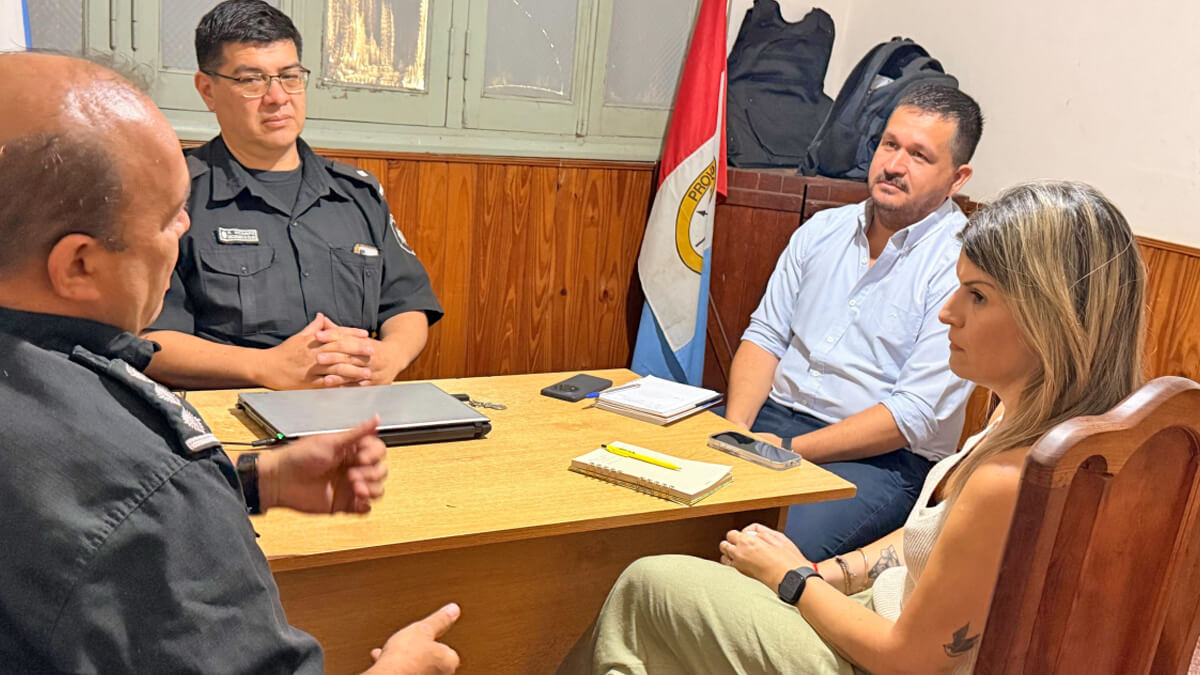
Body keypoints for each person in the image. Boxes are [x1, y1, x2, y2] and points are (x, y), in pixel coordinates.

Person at [562, 180, 1146, 674]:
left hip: (878, 657)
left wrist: (791, 581)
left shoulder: (1009, 478)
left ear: (1050, 320)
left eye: (977, 295)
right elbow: (932, 547)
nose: (948, 311)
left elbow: (907, 659)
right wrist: (825, 572)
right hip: (876, 609)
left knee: (648, 584)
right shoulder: (1053, 430)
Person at [0, 52, 458, 674]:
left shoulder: (355, 191)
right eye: (168, 221)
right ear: (79, 264)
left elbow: (53, 507)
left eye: (290, 75)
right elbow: (118, 497)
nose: (183, 229)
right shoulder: (152, 488)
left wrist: (253, 480)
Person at [723, 83, 983, 560]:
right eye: (890, 145)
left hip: (879, 460)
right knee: (656, 498)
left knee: (758, 551)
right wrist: (737, 428)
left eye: (920, 156)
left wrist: (788, 448)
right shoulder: (822, 230)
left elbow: (913, 415)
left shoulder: (963, 266)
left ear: (957, 178)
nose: (894, 166)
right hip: (767, 422)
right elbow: (765, 336)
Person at [144, 0, 443, 391]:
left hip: (355, 410)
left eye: (289, 76)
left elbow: (407, 304)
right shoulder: (173, 195)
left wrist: (390, 357)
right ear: (208, 90)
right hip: (231, 419)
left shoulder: (357, 193)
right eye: (252, 80)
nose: (277, 97)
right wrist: (265, 367)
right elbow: (150, 341)